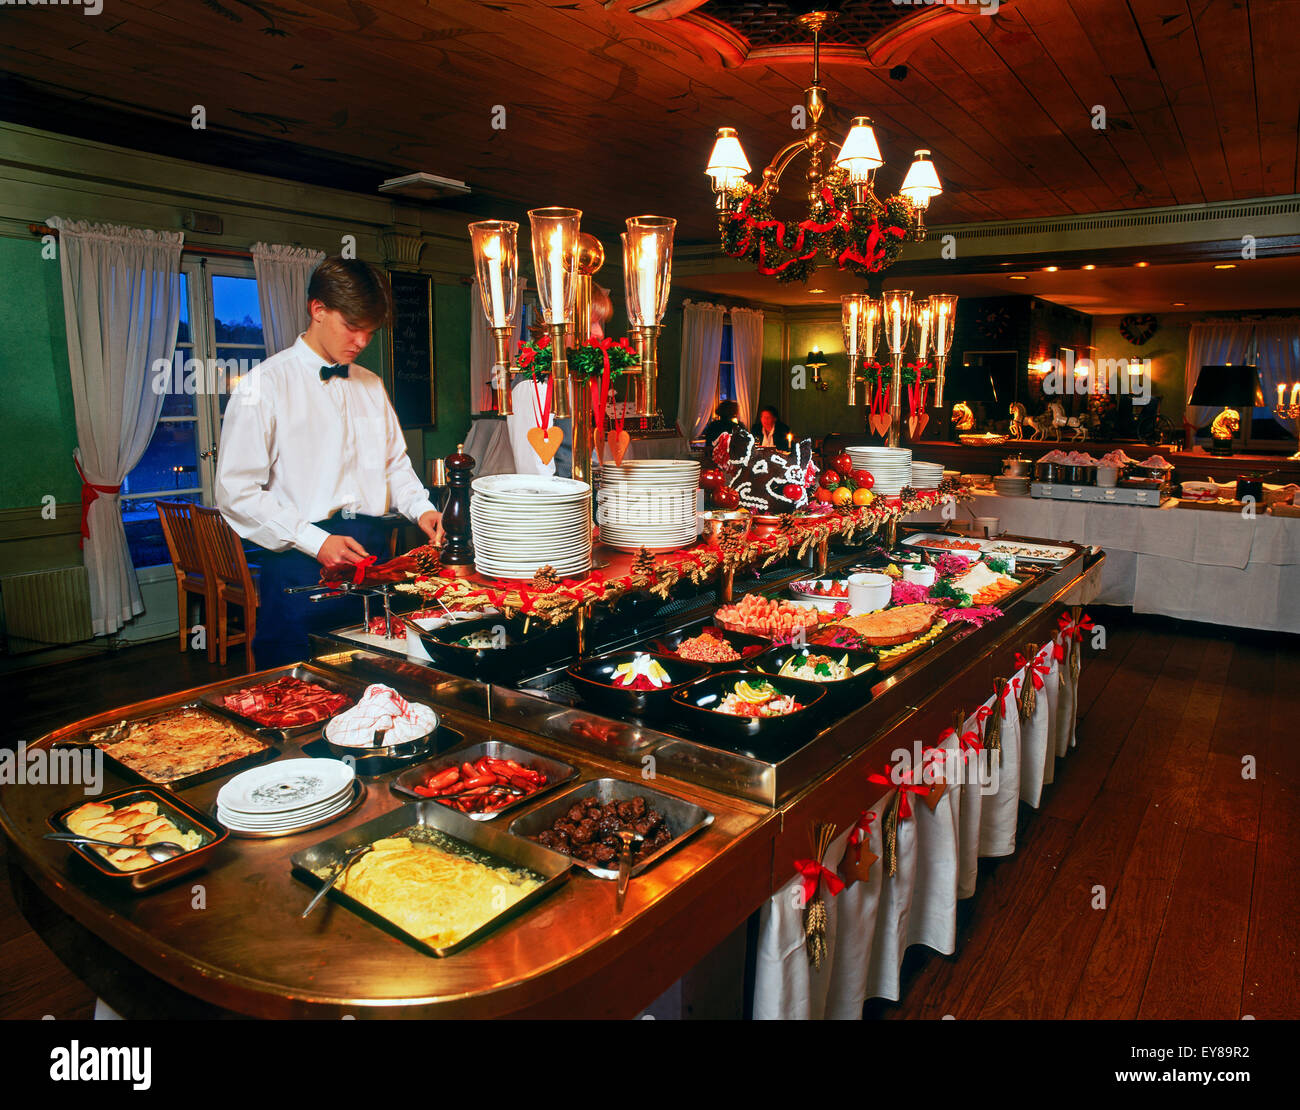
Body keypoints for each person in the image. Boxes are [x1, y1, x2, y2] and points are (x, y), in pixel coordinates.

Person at [216, 257, 444, 667]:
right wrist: (316, 542)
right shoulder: (264, 385)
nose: (360, 341)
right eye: (352, 327)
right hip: (300, 560)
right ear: (317, 310)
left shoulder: (371, 384)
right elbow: (236, 493)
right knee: (300, 687)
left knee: (376, 677)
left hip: (374, 557)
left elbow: (394, 463)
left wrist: (422, 509)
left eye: (369, 333)